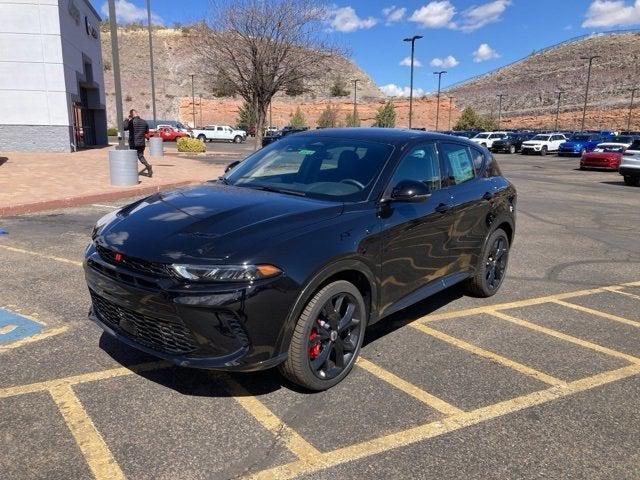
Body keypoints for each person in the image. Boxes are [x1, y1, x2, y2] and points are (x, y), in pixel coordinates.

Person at [123, 109, 152, 177]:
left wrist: (127, 119)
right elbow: (146, 132)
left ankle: (132, 173)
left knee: (132, 157)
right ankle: (148, 166)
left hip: (133, 143)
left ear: (131, 115)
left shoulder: (131, 122)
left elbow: (124, 127)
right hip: (141, 143)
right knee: (140, 156)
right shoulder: (144, 122)